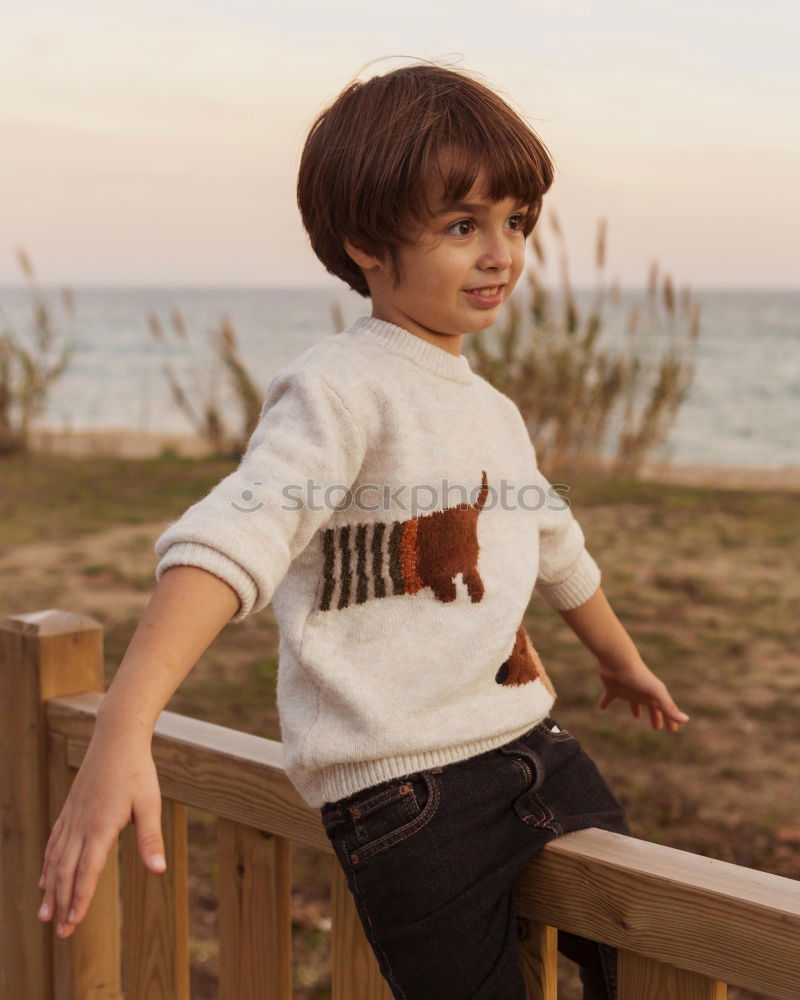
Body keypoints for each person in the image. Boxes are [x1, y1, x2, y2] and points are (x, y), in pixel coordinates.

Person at [36, 59, 690, 999]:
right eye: (463, 226)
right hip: (406, 795)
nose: (502, 253)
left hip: (534, 749)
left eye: (515, 222)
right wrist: (122, 733)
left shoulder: (490, 410)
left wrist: (620, 661)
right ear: (367, 245)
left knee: (656, 954)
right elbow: (236, 538)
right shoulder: (339, 390)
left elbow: (554, 544)